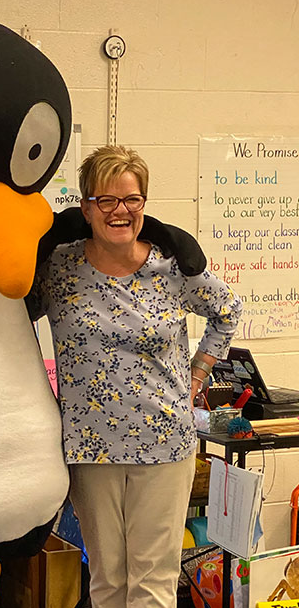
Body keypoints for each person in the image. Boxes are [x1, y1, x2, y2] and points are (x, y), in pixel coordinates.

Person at [30, 144, 241, 608]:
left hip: (165, 444)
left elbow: (228, 310)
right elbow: (12, 316)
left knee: (153, 585)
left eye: (131, 199)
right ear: (86, 207)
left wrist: (198, 373)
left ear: (143, 204)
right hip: (89, 446)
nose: (119, 211)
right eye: (106, 200)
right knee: (107, 582)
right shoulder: (59, 267)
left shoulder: (172, 268)